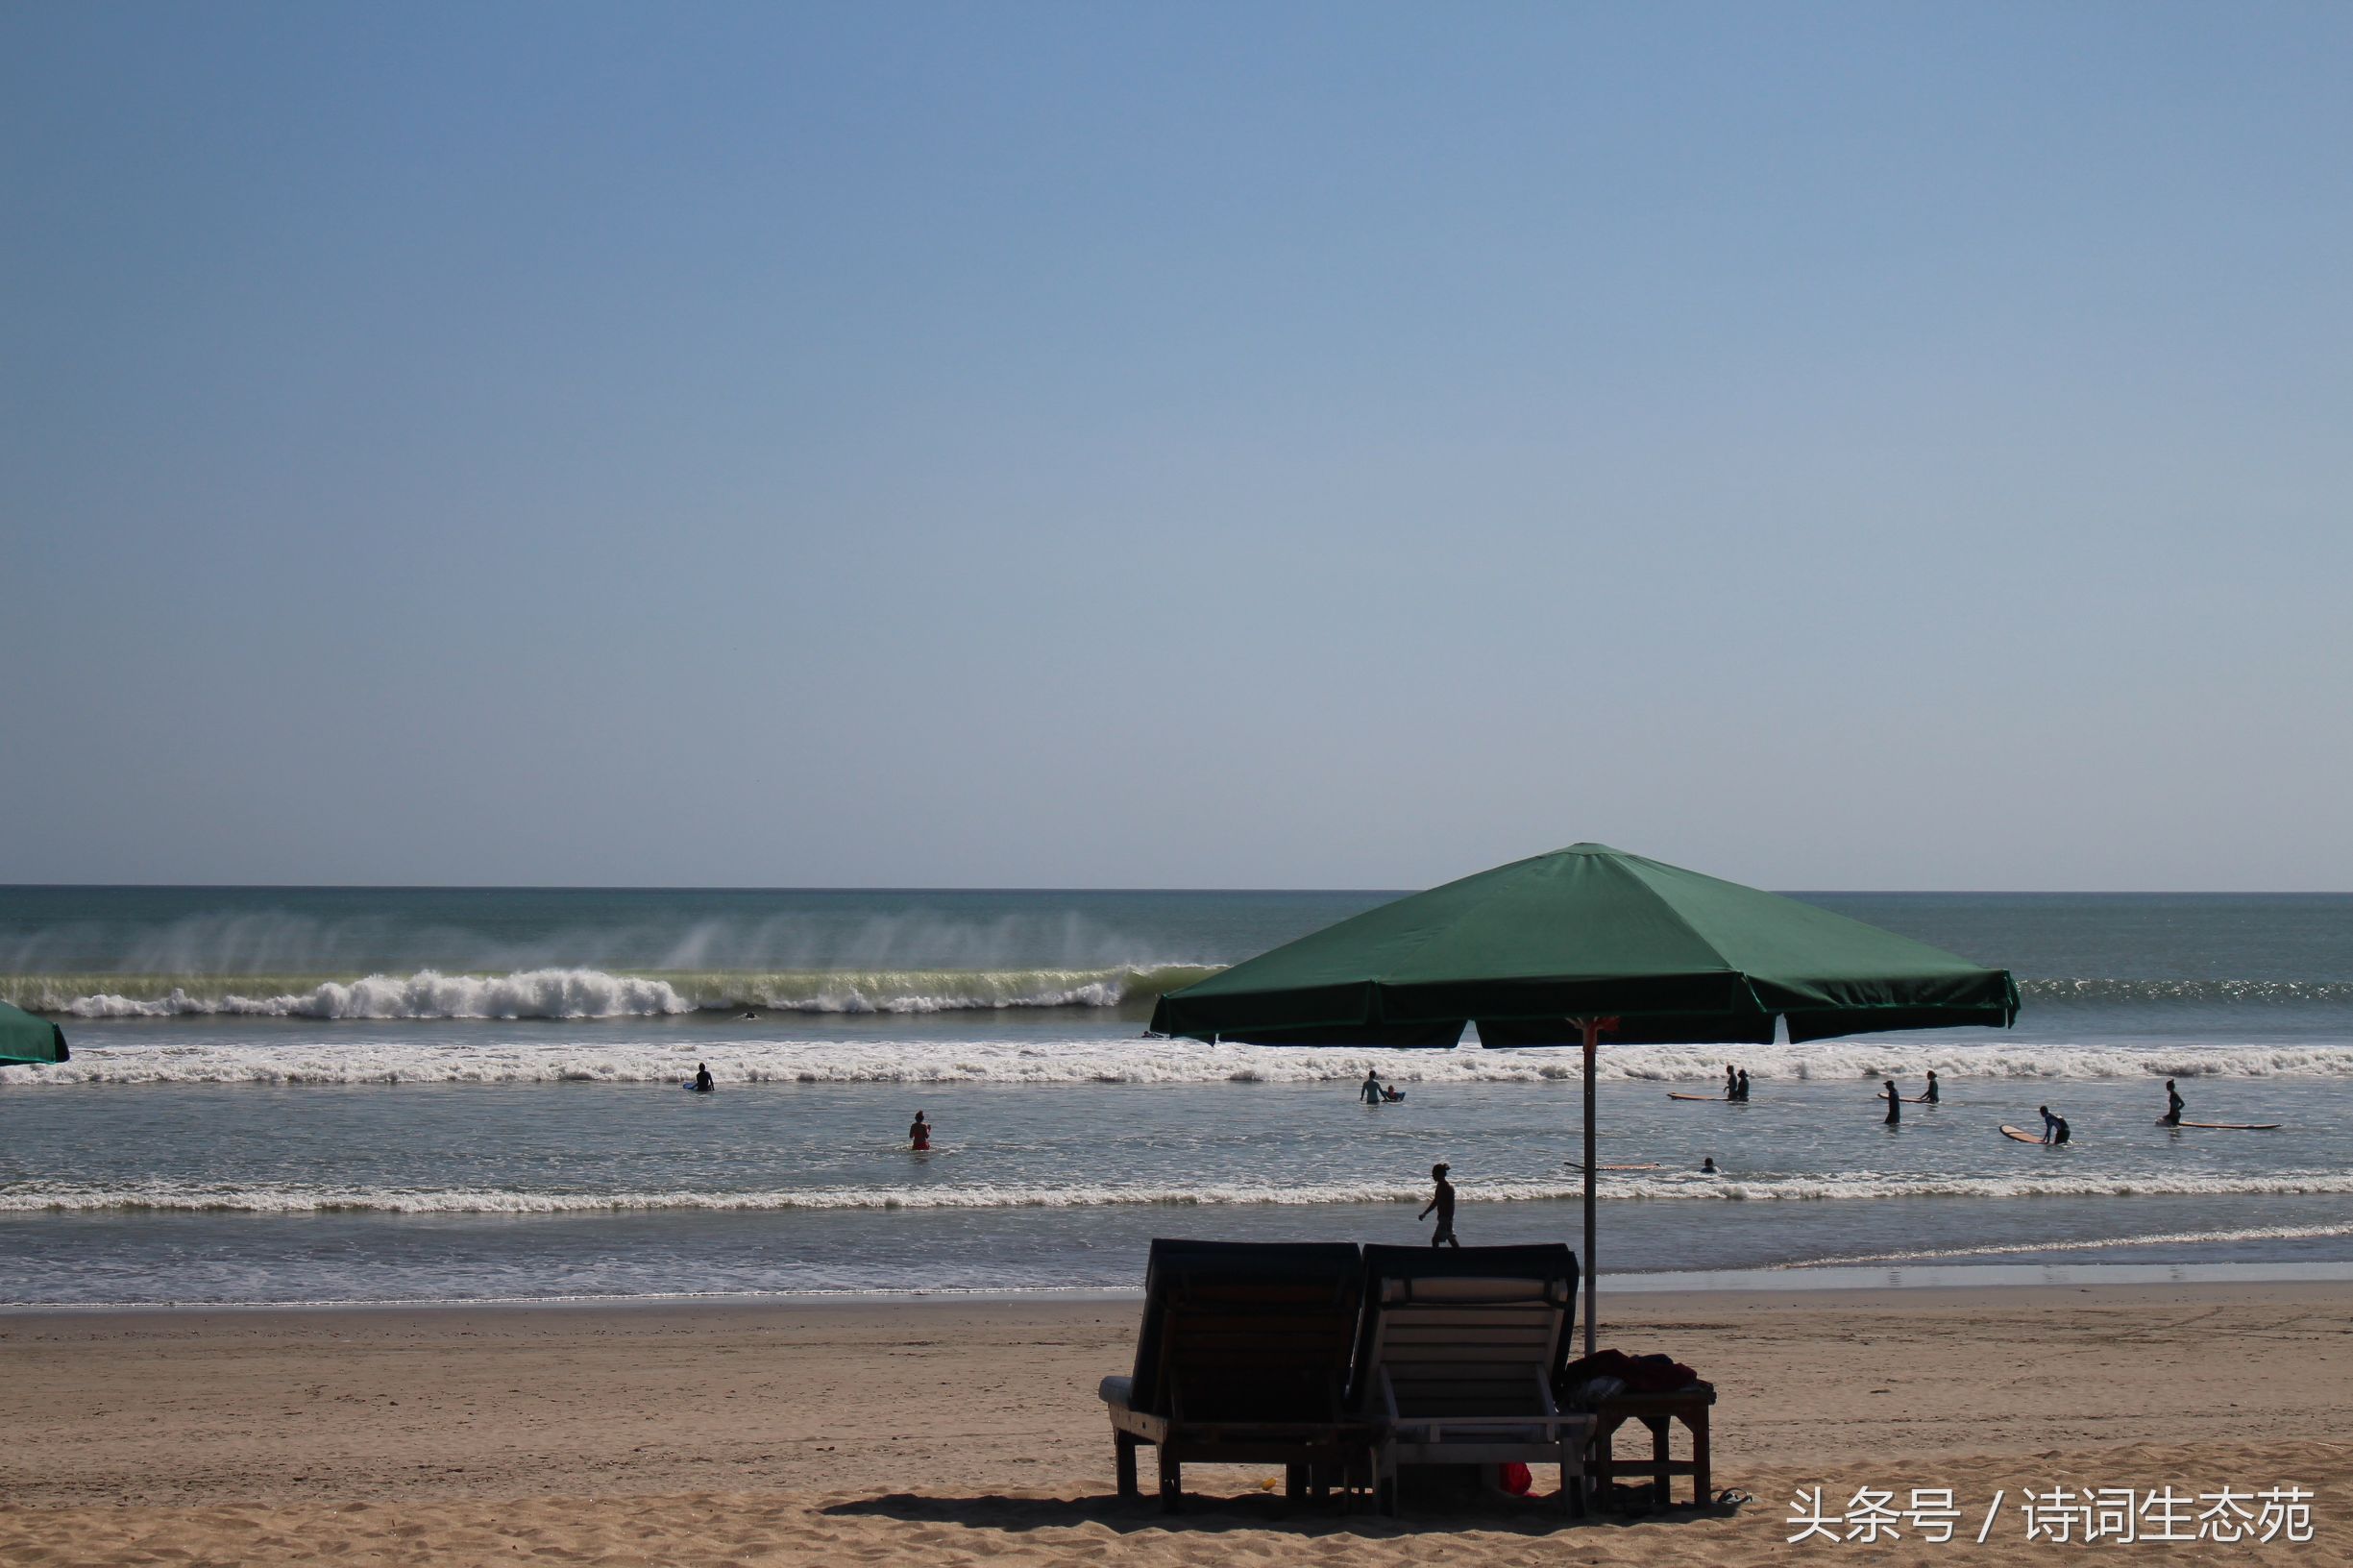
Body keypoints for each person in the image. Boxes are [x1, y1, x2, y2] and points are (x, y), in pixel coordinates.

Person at [1419, 1163, 1459, 1248]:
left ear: (1440, 1174)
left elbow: (1451, 1206)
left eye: (1434, 1174)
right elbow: (1436, 1201)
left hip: (1446, 1219)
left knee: (1435, 1239)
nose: (1432, 1176)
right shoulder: (1439, 1185)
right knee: (1450, 1238)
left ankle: (1436, 1258)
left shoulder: (1448, 1187)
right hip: (1442, 1218)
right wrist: (1425, 1213)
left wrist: (1449, 1221)